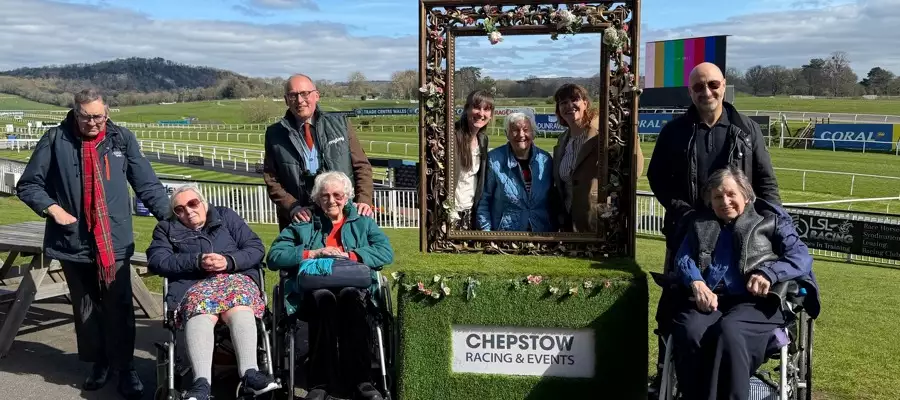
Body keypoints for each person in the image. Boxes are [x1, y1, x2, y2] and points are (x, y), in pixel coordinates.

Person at [15, 88, 171, 399]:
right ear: (75, 112)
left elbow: (146, 184)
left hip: (114, 240)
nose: (92, 123)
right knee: (86, 308)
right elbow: (29, 184)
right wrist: (53, 209)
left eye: (98, 116)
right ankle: (99, 363)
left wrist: (173, 220)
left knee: (119, 306)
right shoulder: (55, 140)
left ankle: (125, 368)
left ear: (107, 113)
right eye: (85, 116)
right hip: (72, 241)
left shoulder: (121, 140)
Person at [670, 166, 820, 400]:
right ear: (710, 201)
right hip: (712, 300)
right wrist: (696, 282)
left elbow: (801, 257)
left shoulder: (770, 220)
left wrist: (770, 273)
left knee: (730, 331)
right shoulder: (699, 225)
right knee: (690, 330)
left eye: (731, 195)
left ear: (746, 196)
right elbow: (683, 258)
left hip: (758, 304)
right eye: (718, 196)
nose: (725, 201)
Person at [267, 171, 394, 400]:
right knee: (324, 299)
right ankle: (321, 382)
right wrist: (311, 253)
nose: (331, 200)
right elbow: (274, 256)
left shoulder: (362, 223)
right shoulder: (304, 223)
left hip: (354, 287)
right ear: (317, 198)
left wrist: (351, 255)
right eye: (325, 196)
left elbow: (385, 252)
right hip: (314, 291)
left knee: (350, 298)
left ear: (347, 197)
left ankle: (361, 380)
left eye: (337, 195)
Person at [146, 186, 279, 400]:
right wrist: (197, 261)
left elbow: (255, 247)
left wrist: (228, 261)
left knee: (239, 305)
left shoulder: (226, 217)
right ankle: (201, 384)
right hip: (195, 284)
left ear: (203, 202)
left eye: (192, 204)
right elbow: (158, 260)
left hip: (234, 278)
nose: (188, 211)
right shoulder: (166, 228)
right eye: (180, 209)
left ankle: (250, 373)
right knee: (199, 310)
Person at [647, 62, 781, 264]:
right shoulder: (673, 132)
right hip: (688, 232)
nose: (707, 92)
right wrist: (683, 212)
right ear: (690, 92)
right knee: (684, 294)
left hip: (740, 232)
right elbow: (657, 178)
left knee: (739, 295)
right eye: (699, 87)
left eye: (713, 84)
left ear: (724, 86)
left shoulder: (747, 129)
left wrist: (775, 223)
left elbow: (766, 182)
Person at [264, 73, 374, 230]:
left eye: (305, 94)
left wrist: (364, 200)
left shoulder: (341, 125)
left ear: (316, 95)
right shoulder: (274, 134)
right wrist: (292, 207)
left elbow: (362, 167)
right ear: (286, 100)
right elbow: (271, 179)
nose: (300, 100)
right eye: (293, 95)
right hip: (300, 221)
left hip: (342, 216)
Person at [552, 83, 644, 232]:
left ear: (585, 103)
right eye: (563, 102)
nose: (569, 105)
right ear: (559, 110)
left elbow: (634, 170)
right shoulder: (562, 140)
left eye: (574, 99)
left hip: (597, 221)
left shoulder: (605, 134)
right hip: (568, 223)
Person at [477, 110, 554, 231]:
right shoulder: (494, 159)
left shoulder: (545, 160)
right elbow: (484, 200)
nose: (521, 134)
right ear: (507, 134)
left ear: (533, 133)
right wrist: (487, 234)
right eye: (515, 130)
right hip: (505, 234)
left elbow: (553, 201)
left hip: (541, 233)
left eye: (526, 129)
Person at [450, 89, 494, 230]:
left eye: (486, 109)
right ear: (466, 109)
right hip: (449, 212)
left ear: (491, 115)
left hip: (470, 212)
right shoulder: (451, 136)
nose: (481, 113)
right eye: (476, 107)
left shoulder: (483, 139)